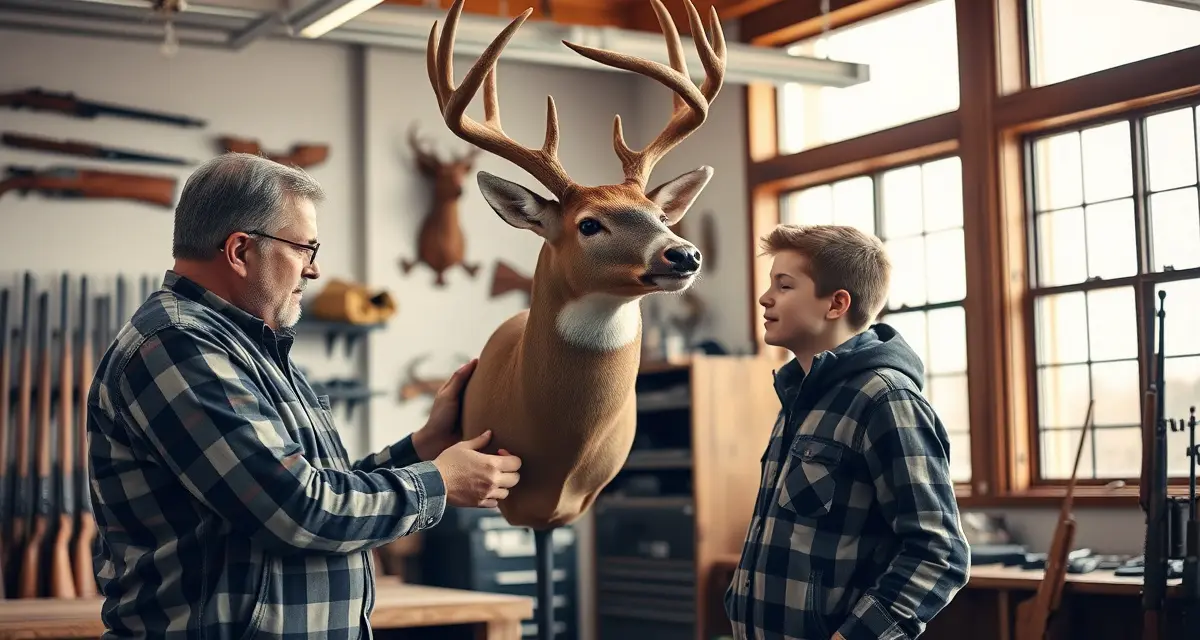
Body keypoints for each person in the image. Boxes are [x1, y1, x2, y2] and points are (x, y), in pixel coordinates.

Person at [86, 152, 522, 639]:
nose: (313, 271)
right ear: (240, 251)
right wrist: (438, 482)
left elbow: (321, 487)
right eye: (304, 249)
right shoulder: (176, 344)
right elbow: (296, 511)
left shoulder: (250, 347)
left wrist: (423, 447)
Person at [724, 224, 970, 640]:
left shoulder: (885, 399)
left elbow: (939, 554)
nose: (765, 297)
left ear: (837, 303)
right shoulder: (800, 397)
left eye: (784, 285)